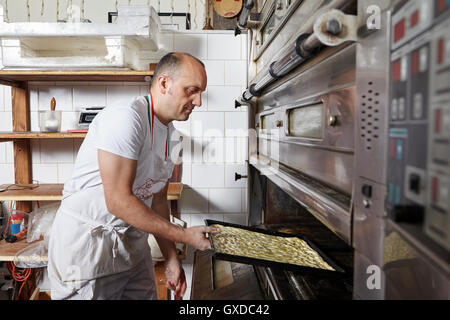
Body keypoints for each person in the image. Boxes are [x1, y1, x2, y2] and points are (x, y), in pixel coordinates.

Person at [48, 52, 218, 300]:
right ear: (163, 83)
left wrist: (171, 258)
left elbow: (158, 199)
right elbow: (117, 201)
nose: (198, 101)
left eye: (200, 92)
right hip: (90, 251)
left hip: (132, 251)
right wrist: (184, 236)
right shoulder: (126, 118)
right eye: (191, 90)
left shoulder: (172, 136)